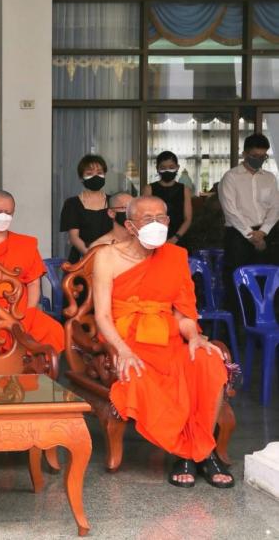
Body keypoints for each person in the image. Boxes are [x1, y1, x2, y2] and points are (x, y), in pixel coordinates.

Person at [93, 196, 233, 489]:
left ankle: (200, 450)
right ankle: (188, 452)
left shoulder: (175, 256)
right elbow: (102, 315)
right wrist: (123, 351)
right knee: (141, 378)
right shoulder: (107, 256)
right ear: (130, 226)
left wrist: (194, 337)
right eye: (148, 219)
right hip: (126, 341)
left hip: (168, 339)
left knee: (207, 361)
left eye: (162, 218)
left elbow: (183, 314)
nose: (157, 224)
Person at [0, 191, 65, 354]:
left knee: (53, 330)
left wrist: (28, 314)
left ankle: (40, 370)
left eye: (8, 212)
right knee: (3, 335)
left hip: (21, 309)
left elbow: (33, 283)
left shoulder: (25, 244)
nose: (3, 216)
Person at [219, 134, 279, 308]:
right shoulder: (231, 177)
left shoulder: (269, 178)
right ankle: (240, 320)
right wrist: (251, 235)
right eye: (254, 156)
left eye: (263, 156)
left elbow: (275, 207)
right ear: (244, 154)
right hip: (238, 236)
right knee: (239, 283)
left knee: (266, 281)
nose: (259, 160)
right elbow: (231, 211)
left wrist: (263, 232)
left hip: (266, 233)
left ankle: (266, 316)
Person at [60, 154, 113, 263]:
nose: (95, 176)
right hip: (82, 258)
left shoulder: (113, 201)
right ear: (81, 178)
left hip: (110, 256)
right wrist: (90, 255)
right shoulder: (72, 204)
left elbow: (119, 233)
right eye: (89, 173)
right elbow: (74, 238)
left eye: (99, 172)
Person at [143, 151, 193, 246]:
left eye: (171, 167)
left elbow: (188, 218)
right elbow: (145, 216)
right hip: (154, 237)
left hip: (180, 237)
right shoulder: (149, 189)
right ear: (157, 168)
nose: (167, 170)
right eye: (163, 168)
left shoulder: (185, 189)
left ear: (177, 167)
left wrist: (175, 238)